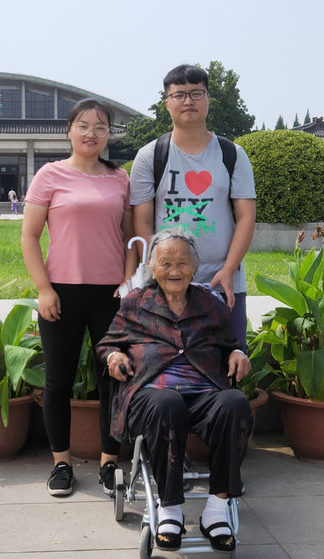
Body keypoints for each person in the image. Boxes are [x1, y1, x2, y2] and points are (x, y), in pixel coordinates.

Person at [96, 228, 251, 553]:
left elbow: (230, 344)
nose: (174, 270)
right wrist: (114, 356)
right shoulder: (135, 303)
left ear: (194, 266)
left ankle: (216, 509)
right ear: (152, 266)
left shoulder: (210, 303)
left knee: (234, 402)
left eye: (182, 263)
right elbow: (107, 344)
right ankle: (170, 509)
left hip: (204, 395)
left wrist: (238, 354)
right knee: (168, 403)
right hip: (151, 397)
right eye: (166, 263)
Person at [21, 98, 137, 498]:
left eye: (100, 127)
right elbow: (29, 236)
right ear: (69, 130)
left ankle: (109, 463)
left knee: (112, 379)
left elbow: (128, 237)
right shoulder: (50, 175)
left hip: (110, 296)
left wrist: (127, 282)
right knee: (58, 381)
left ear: (108, 134)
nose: (91, 134)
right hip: (62, 294)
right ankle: (61, 463)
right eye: (84, 125)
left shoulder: (120, 178)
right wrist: (43, 289)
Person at [130, 64, 257, 349]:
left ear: (208, 99)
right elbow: (142, 221)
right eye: (179, 95)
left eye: (196, 93)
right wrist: (156, 269)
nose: (188, 101)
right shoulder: (150, 156)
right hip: (167, 282)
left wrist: (229, 268)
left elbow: (246, 217)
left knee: (227, 362)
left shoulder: (232, 154)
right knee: (168, 366)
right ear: (167, 103)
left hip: (222, 283)